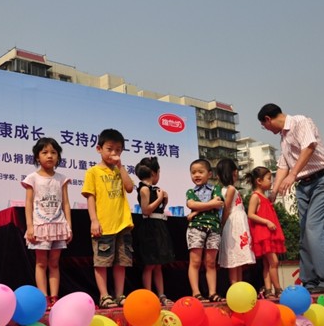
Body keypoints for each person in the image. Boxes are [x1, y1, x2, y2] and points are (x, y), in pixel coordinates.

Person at [257, 103, 324, 294]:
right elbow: (283, 166)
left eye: (264, 125)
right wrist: (274, 192)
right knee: (305, 233)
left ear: (268, 119)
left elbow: (309, 146)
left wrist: (293, 175)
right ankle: (310, 281)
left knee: (314, 228)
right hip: (304, 185)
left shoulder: (300, 122)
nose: (266, 129)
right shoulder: (284, 139)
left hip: (323, 179)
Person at [81, 128, 135, 309]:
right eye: (109, 149)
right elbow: (90, 197)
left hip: (123, 224)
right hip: (104, 224)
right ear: (99, 149)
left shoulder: (120, 170)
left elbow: (129, 188)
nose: (114, 153)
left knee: (122, 262)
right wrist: (94, 220)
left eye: (118, 150)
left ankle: (119, 295)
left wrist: (121, 167)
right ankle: (104, 296)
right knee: (102, 262)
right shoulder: (93, 172)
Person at [22, 137, 72, 309]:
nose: (49, 156)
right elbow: (28, 203)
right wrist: (30, 227)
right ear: (37, 156)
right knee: (41, 263)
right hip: (40, 226)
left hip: (59, 225)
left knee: (54, 263)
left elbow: (66, 203)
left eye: (53, 152)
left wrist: (69, 227)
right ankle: (43, 298)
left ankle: (54, 298)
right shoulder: (32, 178)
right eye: (45, 152)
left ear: (58, 156)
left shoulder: (62, 179)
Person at [133, 157, 176, 307]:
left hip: (159, 226)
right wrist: (159, 198)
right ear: (153, 173)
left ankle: (161, 295)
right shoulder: (144, 189)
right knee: (150, 264)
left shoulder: (154, 189)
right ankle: (149, 296)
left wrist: (164, 200)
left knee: (158, 265)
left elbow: (158, 209)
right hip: (149, 228)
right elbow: (146, 210)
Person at [185, 158, 225, 303]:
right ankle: (196, 292)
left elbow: (219, 203)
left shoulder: (216, 189)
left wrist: (196, 211)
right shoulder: (190, 191)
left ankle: (212, 293)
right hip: (196, 228)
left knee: (211, 263)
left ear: (209, 174)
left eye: (200, 172)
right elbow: (191, 204)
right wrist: (209, 205)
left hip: (213, 229)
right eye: (193, 172)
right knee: (195, 262)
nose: (196, 175)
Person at [247, 166, 286, 299]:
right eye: (269, 178)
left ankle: (268, 290)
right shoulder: (255, 196)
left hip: (268, 234)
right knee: (274, 262)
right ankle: (278, 289)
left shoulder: (265, 197)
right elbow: (250, 214)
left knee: (267, 263)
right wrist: (267, 222)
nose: (271, 181)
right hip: (263, 234)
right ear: (259, 181)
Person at [216, 158, 255, 285]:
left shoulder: (226, 189)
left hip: (236, 222)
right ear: (234, 172)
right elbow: (227, 209)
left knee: (237, 258)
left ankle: (239, 285)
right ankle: (235, 286)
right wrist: (222, 224)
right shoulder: (231, 189)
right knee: (234, 257)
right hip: (234, 223)